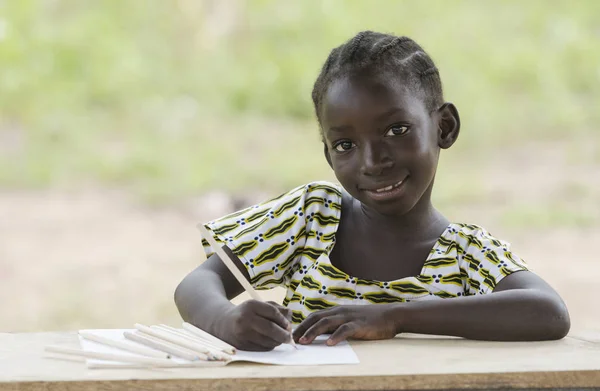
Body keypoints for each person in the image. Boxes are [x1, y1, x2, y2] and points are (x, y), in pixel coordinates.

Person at [174, 31, 570, 351]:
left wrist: (394, 317)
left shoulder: (462, 253)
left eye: (396, 130)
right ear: (329, 156)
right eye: (346, 145)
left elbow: (548, 312)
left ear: (444, 127)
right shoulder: (310, 217)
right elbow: (195, 286)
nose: (372, 161)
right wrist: (224, 320)